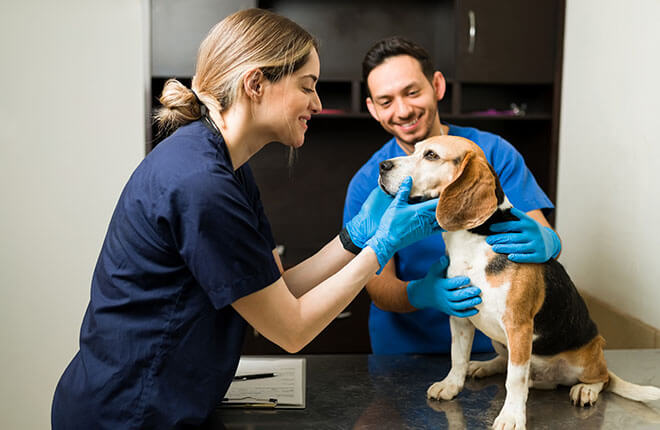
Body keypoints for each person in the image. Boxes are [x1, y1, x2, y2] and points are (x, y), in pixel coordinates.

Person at [51, 11, 442, 429]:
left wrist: (355, 237)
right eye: (307, 86)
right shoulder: (201, 184)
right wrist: (380, 248)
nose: (317, 103)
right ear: (255, 84)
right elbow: (291, 330)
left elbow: (278, 291)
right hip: (130, 412)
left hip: (162, 402)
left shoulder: (228, 168)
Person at [342, 36, 561, 355]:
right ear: (373, 109)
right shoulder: (371, 183)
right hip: (406, 354)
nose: (402, 111)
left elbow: (542, 237)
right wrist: (421, 293)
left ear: (437, 86)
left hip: (494, 349)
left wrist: (548, 242)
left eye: (412, 92)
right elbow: (376, 285)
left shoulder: (492, 155)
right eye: (386, 101)